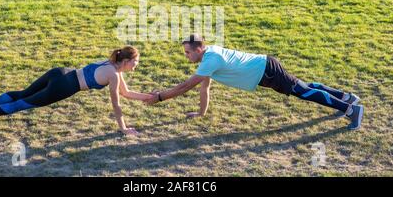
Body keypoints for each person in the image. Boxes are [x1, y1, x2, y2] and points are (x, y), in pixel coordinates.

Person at [145, 34, 364, 130]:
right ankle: (346, 97)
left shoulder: (210, 59)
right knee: (304, 87)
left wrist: (160, 97)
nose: (186, 56)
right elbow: (205, 88)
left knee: (303, 91)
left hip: (266, 71)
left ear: (199, 49)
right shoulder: (209, 57)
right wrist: (201, 113)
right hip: (265, 68)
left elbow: (185, 87)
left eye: (187, 53)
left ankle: (350, 109)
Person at [0, 46, 152, 135]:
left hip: (61, 72)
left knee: (23, 93)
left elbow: (126, 92)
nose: (135, 67)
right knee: (23, 103)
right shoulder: (113, 74)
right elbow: (116, 103)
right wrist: (123, 128)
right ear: (127, 61)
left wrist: (152, 96)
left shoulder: (110, 64)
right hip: (64, 87)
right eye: (135, 63)